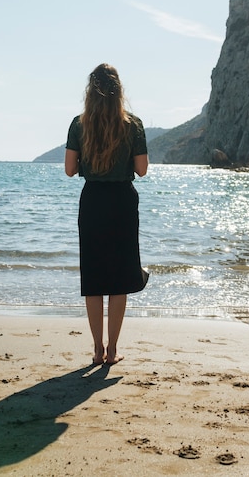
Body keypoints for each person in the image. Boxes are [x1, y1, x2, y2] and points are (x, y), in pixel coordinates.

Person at [65, 63, 149, 365]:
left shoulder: (79, 124)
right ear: (119, 91)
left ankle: (97, 350)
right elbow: (141, 170)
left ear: (91, 91)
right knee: (120, 276)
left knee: (95, 277)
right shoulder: (133, 124)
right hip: (122, 203)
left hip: (93, 203)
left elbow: (70, 170)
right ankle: (113, 350)